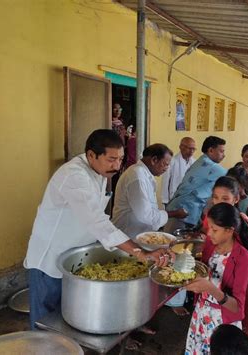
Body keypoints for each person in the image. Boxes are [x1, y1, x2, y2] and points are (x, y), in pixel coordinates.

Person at [25, 130, 169, 329]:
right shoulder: (74, 175)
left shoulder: (98, 172)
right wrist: (139, 252)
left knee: (65, 319)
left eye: (120, 159)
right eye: (111, 159)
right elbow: (97, 221)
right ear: (91, 155)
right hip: (49, 259)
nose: (117, 166)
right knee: (44, 323)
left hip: (72, 256)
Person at [185, 203, 248, 354]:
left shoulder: (243, 258)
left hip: (222, 324)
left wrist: (210, 288)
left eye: (214, 230)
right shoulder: (210, 244)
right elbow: (201, 269)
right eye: (209, 227)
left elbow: (237, 307)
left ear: (230, 231)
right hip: (201, 313)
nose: (209, 233)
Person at [112, 144, 188, 238]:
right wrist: (174, 213)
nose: (166, 169)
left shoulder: (145, 174)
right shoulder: (137, 176)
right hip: (128, 235)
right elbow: (146, 215)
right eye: (165, 164)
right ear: (154, 160)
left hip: (138, 234)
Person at [165, 136, 227, 232]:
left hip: (187, 211)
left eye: (193, 149)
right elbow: (235, 177)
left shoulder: (198, 161)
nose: (224, 155)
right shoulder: (209, 165)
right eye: (221, 151)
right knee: (173, 244)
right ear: (210, 150)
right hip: (180, 212)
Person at [161, 137, 196, 206]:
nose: (191, 151)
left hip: (189, 200)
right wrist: (165, 201)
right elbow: (165, 181)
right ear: (181, 147)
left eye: (193, 149)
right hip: (173, 199)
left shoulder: (194, 162)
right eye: (189, 148)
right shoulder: (172, 161)